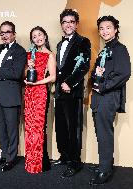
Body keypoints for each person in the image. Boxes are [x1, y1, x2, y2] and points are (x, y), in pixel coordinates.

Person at [89, 15, 131, 185]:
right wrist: (96, 76)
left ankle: (105, 171)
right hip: (99, 97)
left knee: (105, 133)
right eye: (101, 28)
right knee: (100, 132)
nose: (104, 31)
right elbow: (97, 74)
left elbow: (124, 73)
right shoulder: (104, 51)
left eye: (108, 27)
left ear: (115, 29)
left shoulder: (120, 49)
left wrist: (104, 86)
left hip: (109, 96)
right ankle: (104, 165)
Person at [52, 9, 91, 178]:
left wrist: (70, 82)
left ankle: (75, 163)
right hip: (60, 92)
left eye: (71, 22)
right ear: (61, 24)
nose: (68, 25)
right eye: (65, 22)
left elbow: (84, 66)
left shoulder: (83, 41)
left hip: (73, 92)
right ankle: (65, 156)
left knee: (73, 128)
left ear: (76, 24)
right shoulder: (60, 44)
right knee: (61, 127)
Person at [0, 21, 27, 172]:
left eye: (7, 32)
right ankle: (4, 154)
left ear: (14, 34)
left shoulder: (20, 51)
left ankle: (11, 159)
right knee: (1, 128)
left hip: (11, 95)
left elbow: (16, 73)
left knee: (12, 129)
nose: (4, 35)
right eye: (2, 33)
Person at [24, 26, 56, 174]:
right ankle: (30, 161)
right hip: (29, 92)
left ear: (45, 36)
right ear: (32, 39)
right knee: (29, 126)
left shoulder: (49, 55)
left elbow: (53, 77)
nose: (38, 38)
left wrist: (36, 83)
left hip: (40, 92)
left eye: (40, 35)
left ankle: (40, 163)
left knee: (38, 127)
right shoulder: (29, 54)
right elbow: (24, 74)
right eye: (34, 36)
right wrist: (28, 67)